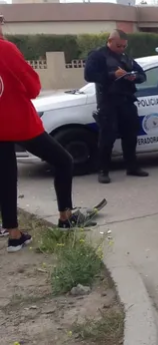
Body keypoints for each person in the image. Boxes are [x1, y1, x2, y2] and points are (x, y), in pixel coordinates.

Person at [0, 25, 87, 252]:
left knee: (6, 178)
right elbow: (33, 86)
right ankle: (65, 216)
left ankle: (14, 235)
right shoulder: (5, 49)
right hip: (19, 123)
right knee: (63, 160)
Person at [84, 29, 148, 184]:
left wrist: (134, 77)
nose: (121, 49)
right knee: (107, 137)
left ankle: (132, 167)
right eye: (119, 46)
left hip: (126, 100)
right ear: (110, 41)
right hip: (108, 101)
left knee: (130, 135)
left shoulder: (125, 56)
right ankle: (103, 170)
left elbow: (142, 75)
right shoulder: (98, 55)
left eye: (124, 46)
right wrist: (112, 75)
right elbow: (89, 75)